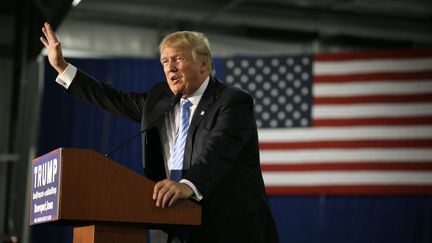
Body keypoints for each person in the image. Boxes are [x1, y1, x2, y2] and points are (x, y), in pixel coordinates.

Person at [40, 22, 279, 243]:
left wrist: (188, 184)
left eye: (178, 58)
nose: (170, 67)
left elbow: (220, 149)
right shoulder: (161, 100)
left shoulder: (232, 102)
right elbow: (113, 99)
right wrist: (62, 67)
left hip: (230, 228)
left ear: (204, 65)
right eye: (165, 61)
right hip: (172, 225)